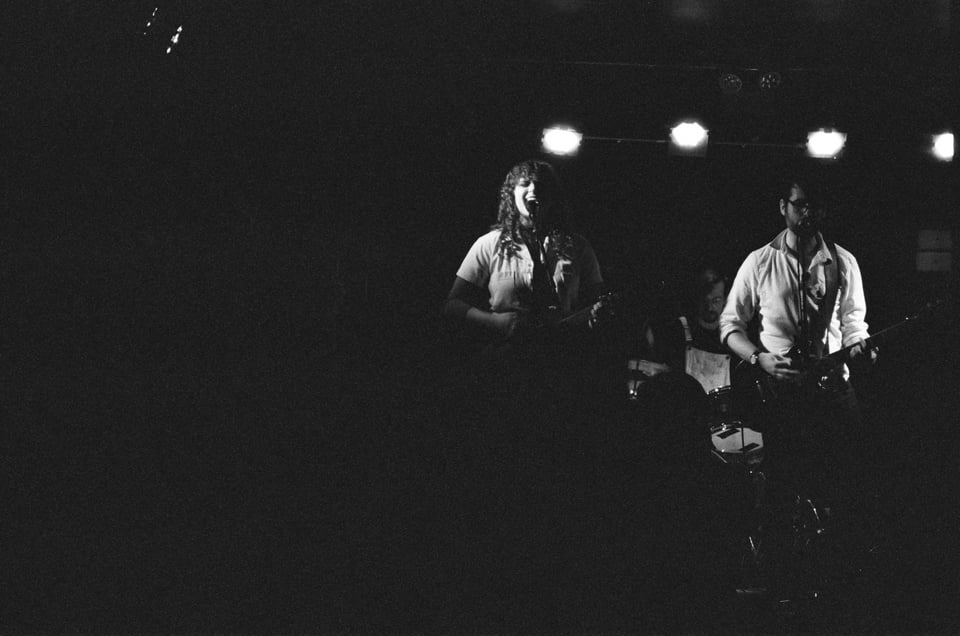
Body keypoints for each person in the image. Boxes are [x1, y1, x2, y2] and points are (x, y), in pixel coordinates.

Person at [718, 167, 878, 598]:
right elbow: (730, 325)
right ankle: (778, 579)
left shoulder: (843, 262)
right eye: (800, 204)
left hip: (831, 386)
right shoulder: (760, 262)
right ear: (784, 208)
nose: (808, 212)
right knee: (781, 484)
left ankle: (843, 574)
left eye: (815, 205)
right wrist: (760, 359)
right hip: (782, 391)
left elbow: (853, 325)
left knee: (849, 478)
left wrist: (861, 347)